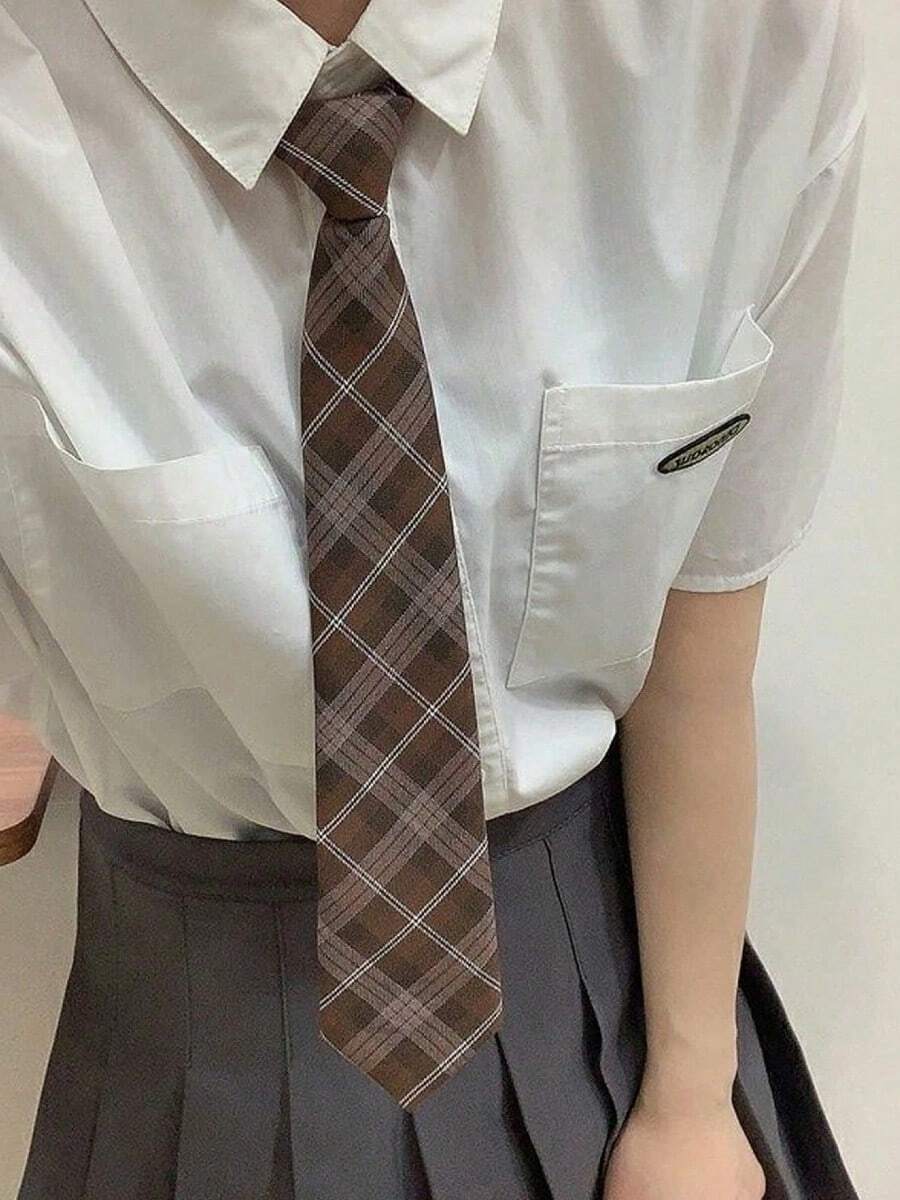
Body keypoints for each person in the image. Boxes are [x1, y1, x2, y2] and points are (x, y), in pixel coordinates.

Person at [0, 0, 867, 1196]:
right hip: (186, 1040)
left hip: (613, 1004)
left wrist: (690, 1097)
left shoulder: (743, 40)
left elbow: (698, 654)